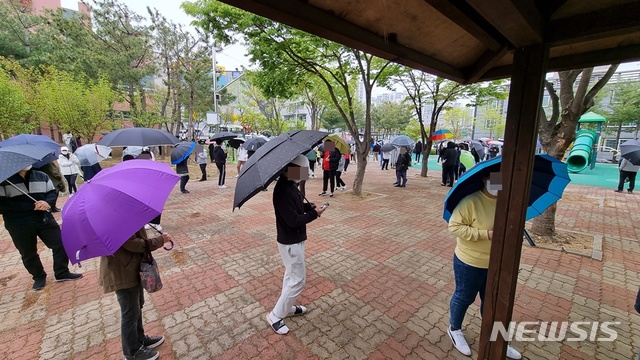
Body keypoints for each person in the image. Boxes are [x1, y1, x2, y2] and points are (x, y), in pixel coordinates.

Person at [447, 174, 522, 359]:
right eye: (494, 179)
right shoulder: (470, 202)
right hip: (469, 261)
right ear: (485, 180)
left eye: (501, 180)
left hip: (497, 262)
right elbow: (454, 227)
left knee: (492, 301)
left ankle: (496, 338)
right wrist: (485, 234)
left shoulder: (507, 202)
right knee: (464, 297)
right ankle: (454, 329)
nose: (497, 184)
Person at [266, 155, 326, 335]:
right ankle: (276, 315)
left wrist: (310, 208)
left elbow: (297, 208)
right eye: (300, 171)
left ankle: (287, 306)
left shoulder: (290, 185)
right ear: (288, 170)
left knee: (291, 275)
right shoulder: (282, 191)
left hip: (293, 239)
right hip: (290, 241)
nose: (303, 175)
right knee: (298, 280)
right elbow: (293, 220)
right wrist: (315, 215)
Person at [0, 165, 82, 290]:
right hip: (18, 223)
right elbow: (2, 205)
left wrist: (47, 202)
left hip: (44, 219)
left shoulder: (41, 176)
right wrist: (31, 206)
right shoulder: (4, 181)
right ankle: (38, 277)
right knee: (28, 252)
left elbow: (51, 192)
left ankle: (61, 272)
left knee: (60, 243)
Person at [99, 227, 172, 360]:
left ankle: (139, 339)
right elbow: (132, 244)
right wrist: (159, 240)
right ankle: (132, 351)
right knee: (130, 313)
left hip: (131, 267)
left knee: (137, 306)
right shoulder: (114, 220)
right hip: (121, 272)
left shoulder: (122, 214)